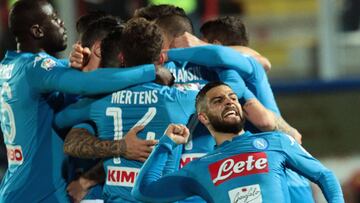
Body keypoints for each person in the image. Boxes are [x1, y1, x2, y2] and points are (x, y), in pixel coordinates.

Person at [0, 1, 169, 202]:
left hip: (18, 187)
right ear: (37, 31)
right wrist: (150, 71)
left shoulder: (11, 65)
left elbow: (61, 113)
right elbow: (85, 84)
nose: (61, 22)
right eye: (54, 18)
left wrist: (72, 69)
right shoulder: (36, 68)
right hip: (39, 193)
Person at [54, 18, 197, 203]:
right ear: (160, 59)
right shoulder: (179, 98)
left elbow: (61, 120)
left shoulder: (100, 100)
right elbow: (231, 86)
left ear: (121, 58)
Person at [132, 82, 344, 203]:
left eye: (233, 97)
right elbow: (143, 191)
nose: (229, 102)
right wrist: (165, 144)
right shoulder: (199, 168)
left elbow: (324, 175)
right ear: (203, 117)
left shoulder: (276, 141)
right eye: (218, 100)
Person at [199, 15, 314, 203]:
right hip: (278, 177)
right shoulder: (243, 67)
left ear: (216, 45)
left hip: (278, 178)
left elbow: (264, 120)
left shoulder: (238, 72)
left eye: (201, 43)